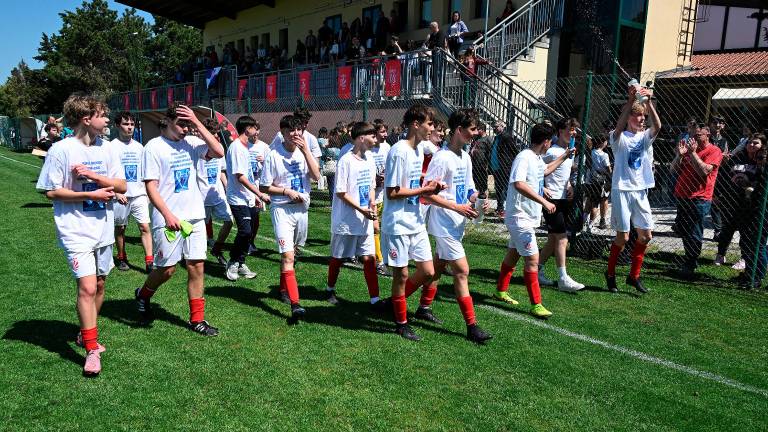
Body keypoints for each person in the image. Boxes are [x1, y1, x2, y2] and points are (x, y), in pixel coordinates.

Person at [36, 94, 127, 376]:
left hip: (102, 229)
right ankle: (91, 350)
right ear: (87, 119)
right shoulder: (62, 150)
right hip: (75, 230)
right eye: (102, 115)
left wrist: (96, 178)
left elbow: (121, 185)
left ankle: (84, 333)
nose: (107, 120)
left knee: (100, 286)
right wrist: (89, 192)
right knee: (87, 288)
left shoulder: (109, 149)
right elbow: (51, 191)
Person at [134, 103, 225, 336]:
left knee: (197, 266)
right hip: (168, 218)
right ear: (168, 122)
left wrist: (196, 122)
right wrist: (167, 215)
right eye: (181, 123)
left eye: (188, 124)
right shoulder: (153, 147)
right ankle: (143, 295)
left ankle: (198, 320)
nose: (185, 129)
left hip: (194, 217)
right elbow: (150, 187)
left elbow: (219, 151)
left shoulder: (192, 143)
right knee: (167, 270)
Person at [422, 108, 492, 343]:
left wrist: (478, 201)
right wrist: (456, 207)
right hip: (443, 222)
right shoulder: (441, 158)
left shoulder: (465, 156)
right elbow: (427, 195)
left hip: (457, 222)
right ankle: (472, 326)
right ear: (459, 130)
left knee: (439, 265)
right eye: (472, 129)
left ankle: (422, 307)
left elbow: (468, 189)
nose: (476, 133)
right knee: (462, 271)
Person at [493, 122, 572, 318]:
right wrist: (544, 200)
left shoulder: (536, 158)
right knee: (532, 259)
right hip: (519, 216)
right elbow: (518, 183)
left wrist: (564, 157)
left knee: (514, 253)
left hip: (526, 217)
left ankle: (500, 291)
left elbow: (543, 172)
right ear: (546, 142)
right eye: (550, 140)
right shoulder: (524, 157)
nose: (551, 143)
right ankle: (536, 304)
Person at [382, 105, 445, 341]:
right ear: (416, 124)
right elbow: (392, 192)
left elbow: (409, 180)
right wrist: (424, 189)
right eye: (429, 124)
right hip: (398, 223)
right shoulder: (399, 151)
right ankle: (401, 322)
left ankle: (393, 303)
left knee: (428, 271)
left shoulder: (418, 151)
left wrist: (429, 184)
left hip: (415, 221)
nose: (432, 128)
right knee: (401, 275)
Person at [260, 115, 321, 323]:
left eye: (299, 130)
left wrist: (305, 151)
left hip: (301, 209)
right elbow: (263, 186)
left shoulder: (305, 152)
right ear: (283, 133)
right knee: (288, 257)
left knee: (292, 253)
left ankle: (283, 288)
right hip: (282, 210)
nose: (296, 134)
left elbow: (316, 176)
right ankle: (296, 305)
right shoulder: (273, 155)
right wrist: (285, 191)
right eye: (291, 131)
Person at [604, 84, 660, 294]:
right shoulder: (619, 138)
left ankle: (633, 276)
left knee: (645, 236)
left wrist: (649, 102)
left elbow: (658, 127)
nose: (641, 119)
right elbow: (618, 127)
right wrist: (630, 102)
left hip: (640, 190)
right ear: (628, 118)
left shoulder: (644, 137)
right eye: (637, 116)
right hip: (622, 190)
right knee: (623, 238)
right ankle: (610, 274)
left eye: (642, 117)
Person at [326, 122, 383, 307]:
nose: (376, 139)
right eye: (372, 136)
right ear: (361, 138)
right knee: (338, 257)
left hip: (365, 218)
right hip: (346, 221)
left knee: (369, 258)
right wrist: (361, 209)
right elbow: (341, 192)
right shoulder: (346, 160)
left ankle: (375, 299)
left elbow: (372, 186)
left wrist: (372, 204)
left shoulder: (370, 159)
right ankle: (329, 289)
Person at [536, 118, 585, 291]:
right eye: (570, 129)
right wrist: (542, 189)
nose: (573, 132)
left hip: (563, 199)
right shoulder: (552, 151)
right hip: (551, 201)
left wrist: (569, 186)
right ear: (560, 131)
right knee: (562, 238)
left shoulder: (569, 152)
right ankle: (563, 278)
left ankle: (536, 271)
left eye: (574, 130)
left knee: (552, 240)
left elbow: (564, 176)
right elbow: (536, 170)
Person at [671, 126, 723, 275]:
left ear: (708, 135)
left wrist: (693, 153)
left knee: (694, 231)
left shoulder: (714, 151)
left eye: (698, 134)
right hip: (682, 195)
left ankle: (691, 262)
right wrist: (679, 156)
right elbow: (673, 170)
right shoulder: (688, 149)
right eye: (692, 134)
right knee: (684, 229)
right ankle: (690, 258)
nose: (693, 137)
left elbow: (704, 171)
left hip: (699, 198)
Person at [224, 116, 270, 281]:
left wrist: (254, 195)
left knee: (248, 233)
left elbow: (249, 175)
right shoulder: (236, 147)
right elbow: (240, 177)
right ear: (247, 129)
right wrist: (259, 193)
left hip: (248, 197)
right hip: (238, 198)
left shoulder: (245, 147)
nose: (256, 131)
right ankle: (233, 262)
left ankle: (240, 261)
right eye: (254, 127)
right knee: (245, 231)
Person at [110, 111, 153, 273]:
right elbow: (107, 174)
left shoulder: (139, 147)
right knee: (121, 228)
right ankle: (121, 257)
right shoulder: (111, 147)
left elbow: (145, 171)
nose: (129, 127)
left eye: (132, 124)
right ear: (117, 126)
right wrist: (116, 192)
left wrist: (147, 192)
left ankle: (149, 262)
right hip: (120, 196)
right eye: (125, 124)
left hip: (139, 195)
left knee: (144, 227)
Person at [198, 118, 233, 267]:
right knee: (197, 231)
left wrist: (227, 188)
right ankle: (194, 257)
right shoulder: (197, 149)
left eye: (217, 133)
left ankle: (217, 247)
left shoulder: (218, 148)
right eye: (213, 133)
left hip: (218, 194)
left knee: (229, 221)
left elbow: (221, 172)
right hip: (201, 197)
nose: (217, 136)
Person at [370, 119, 392, 276]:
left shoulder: (387, 147)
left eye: (386, 131)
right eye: (382, 132)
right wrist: (374, 179)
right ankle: (379, 261)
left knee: (381, 227)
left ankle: (380, 257)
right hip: (371, 193)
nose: (385, 135)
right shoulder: (369, 149)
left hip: (384, 193)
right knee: (375, 227)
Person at [247, 121, 270, 255]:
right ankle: (246, 241)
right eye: (253, 130)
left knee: (255, 216)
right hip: (245, 186)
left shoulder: (265, 147)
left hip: (258, 185)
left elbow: (271, 166)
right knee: (247, 215)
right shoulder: (242, 146)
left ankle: (251, 241)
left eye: (257, 130)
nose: (255, 133)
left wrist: (264, 161)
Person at [489, 121, 518, 218]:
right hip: (496, 168)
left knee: (504, 189)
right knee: (498, 189)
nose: (494, 128)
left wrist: (509, 163)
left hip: (504, 168)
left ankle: (505, 209)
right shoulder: (497, 137)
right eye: (493, 127)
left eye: (496, 126)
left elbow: (514, 151)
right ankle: (499, 208)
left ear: (503, 127)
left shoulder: (507, 137)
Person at [586, 135, 612, 230]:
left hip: (590, 180)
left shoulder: (590, 152)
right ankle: (593, 224)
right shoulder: (604, 155)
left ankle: (584, 221)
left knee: (590, 200)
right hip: (601, 181)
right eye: (605, 141)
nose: (607, 143)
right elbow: (608, 169)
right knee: (599, 201)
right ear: (602, 143)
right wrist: (610, 171)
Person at [470, 122, 492, 198]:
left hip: (482, 163)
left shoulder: (488, 139)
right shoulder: (476, 138)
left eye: (478, 129)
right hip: (474, 163)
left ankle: (482, 194)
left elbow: (490, 152)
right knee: (475, 179)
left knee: (482, 179)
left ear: (482, 130)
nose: (476, 131)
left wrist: (487, 163)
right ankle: (476, 193)